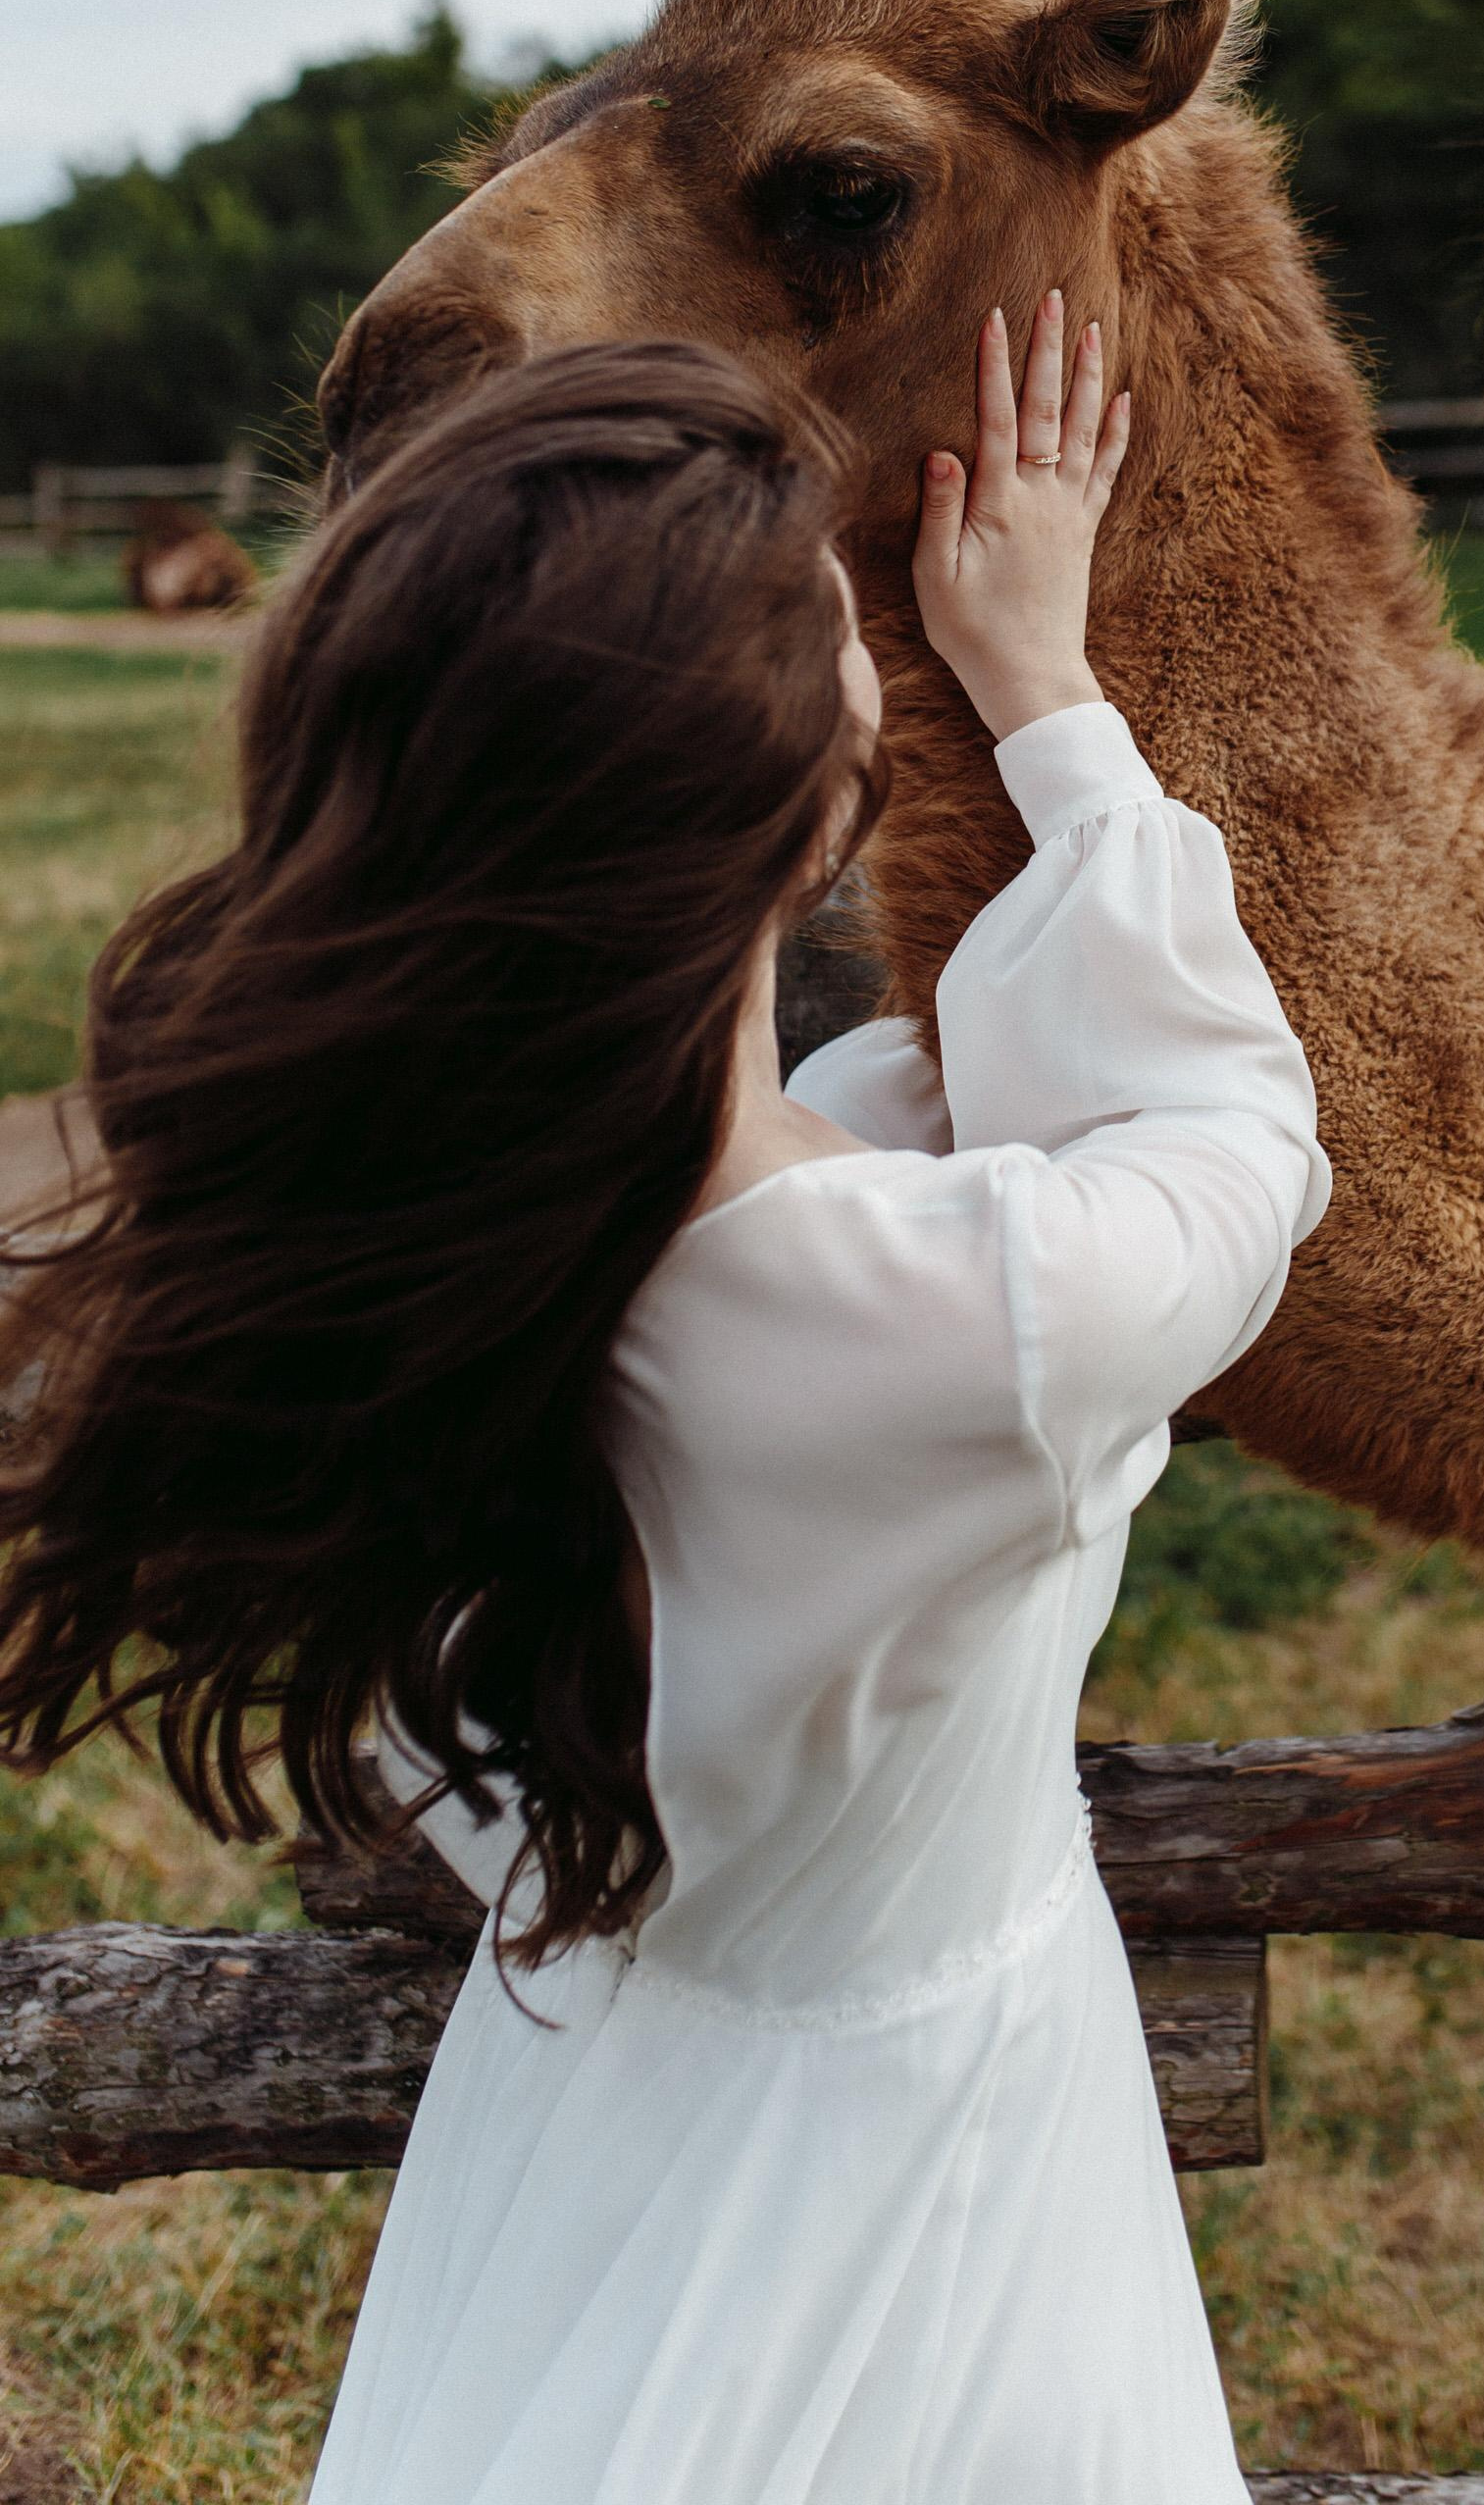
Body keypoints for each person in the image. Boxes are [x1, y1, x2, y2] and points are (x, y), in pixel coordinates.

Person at [0, 300, 1328, 2504]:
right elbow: (1232, 1144)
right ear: (794, 809)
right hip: (941, 2189)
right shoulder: (956, 1322)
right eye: (842, 639)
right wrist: (1047, 696)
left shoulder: (394, 1253)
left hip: (588, 2143)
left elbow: (846, 1168)